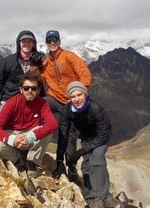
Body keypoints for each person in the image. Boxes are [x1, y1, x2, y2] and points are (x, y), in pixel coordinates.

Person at [39, 30, 92, 178]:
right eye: (49, 40)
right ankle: (31, 145)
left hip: (71, 102)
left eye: (55, 39)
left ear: (60, 41)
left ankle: (70, 166)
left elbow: (85, 74)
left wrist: (77, 95)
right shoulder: (45, 62)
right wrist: (35, 65)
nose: (52, 42)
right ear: (46, 43)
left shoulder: (69, 56)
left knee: (69, 135)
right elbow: (36, 80)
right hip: (54, 98)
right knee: (36, 106)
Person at [52, 81, 111, 208]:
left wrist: (80, 152)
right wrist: (59, 160)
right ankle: (90, 196)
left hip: (101, 137)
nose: (77, 99)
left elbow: (102, 136)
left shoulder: (96, 109)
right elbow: (63, 135)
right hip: (86, 137)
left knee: (97, 158)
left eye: (79, 95)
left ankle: (99, 197)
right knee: (86, 165)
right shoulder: (67, 111)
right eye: (72, 97)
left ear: (85, 94)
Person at [0, 71, 58, 178]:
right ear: (21, 89)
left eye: (34, 88)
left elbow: (53, 124)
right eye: (26, 88)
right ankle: (19, 161)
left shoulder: (42, 104)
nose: (30, 91)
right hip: (13, 134)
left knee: (47, 132)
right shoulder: (12, 102)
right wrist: (13, 139)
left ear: (38, 90)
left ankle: (32, 162)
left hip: (29, 136)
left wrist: (30, 137)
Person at [0, 30, 44, 135]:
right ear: (19, 43)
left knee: (34, 132)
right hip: (8, 100)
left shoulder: (38, 62)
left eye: (30, 41)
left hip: (29, 101)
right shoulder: (9, 61)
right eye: (23, 41)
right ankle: (9, 138)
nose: (26, 44)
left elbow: (43, 83)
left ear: (33, 44)